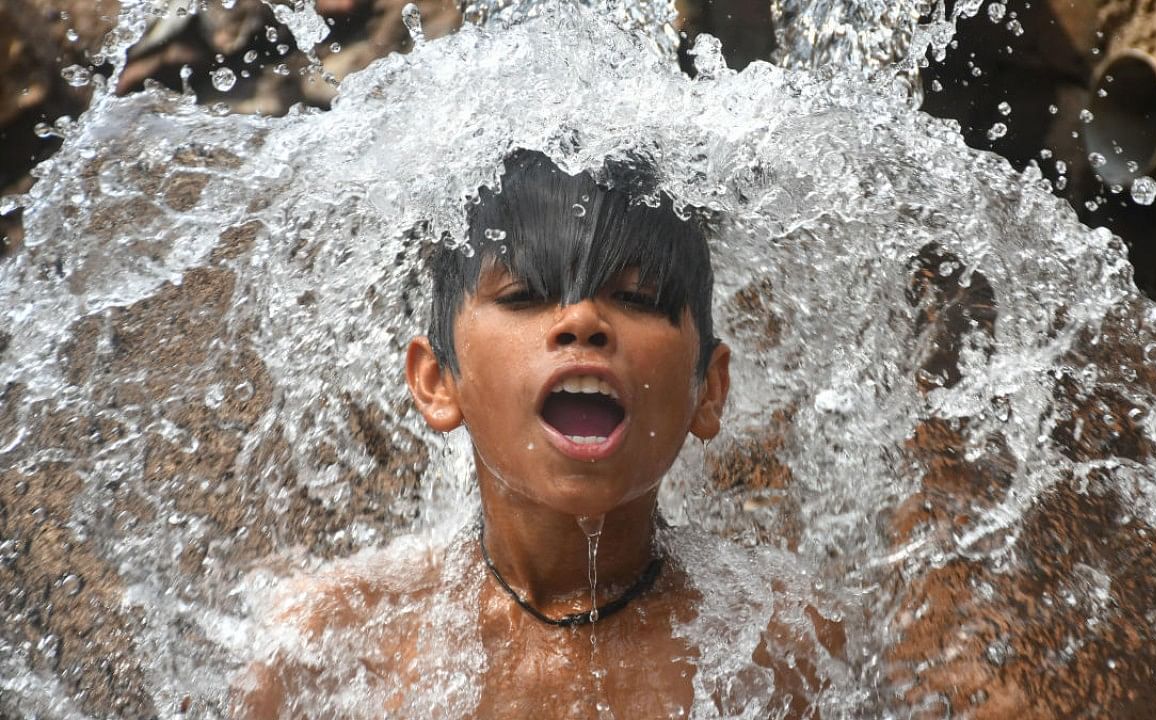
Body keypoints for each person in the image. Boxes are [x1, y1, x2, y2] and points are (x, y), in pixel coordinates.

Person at [232, 150, 845, 718]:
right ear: (437, 380)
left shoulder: (778, 638)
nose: (582, 320)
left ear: (707, 390)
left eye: (635, 297)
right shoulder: (334, 642)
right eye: (525, 295)